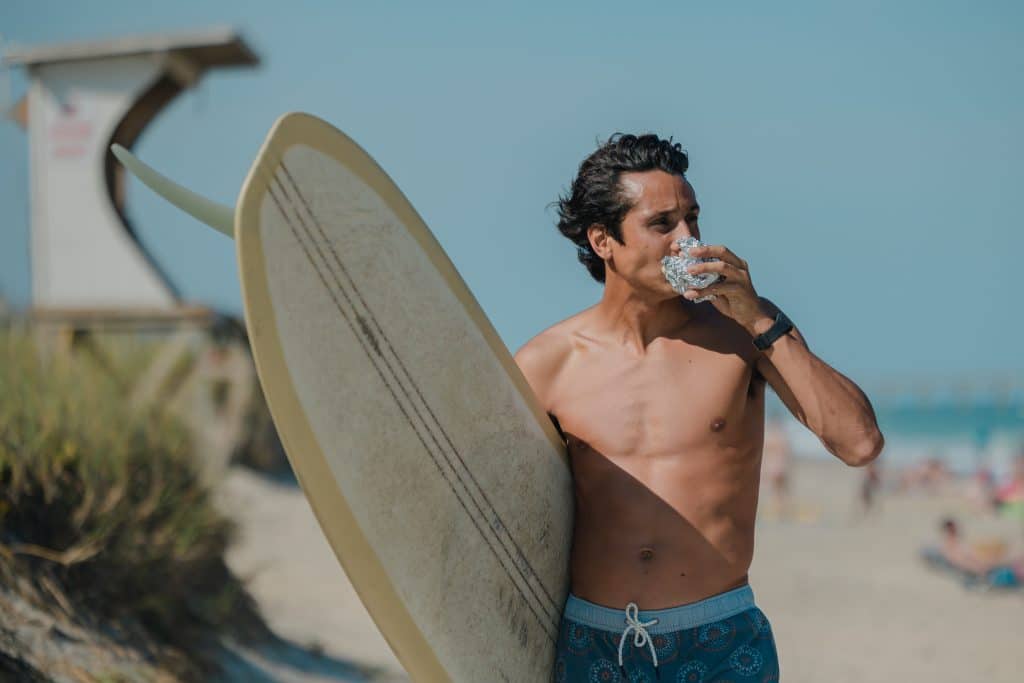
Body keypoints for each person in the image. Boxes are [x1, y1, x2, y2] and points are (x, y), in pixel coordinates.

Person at [513, 134, 884, 682]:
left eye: (693, 218)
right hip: (594, 647)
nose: (688, 239)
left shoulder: (745, 334)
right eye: (662, 224)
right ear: (603, 240)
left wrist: (759, 321)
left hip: (719, 643)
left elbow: (859, 444)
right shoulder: (548, 364)